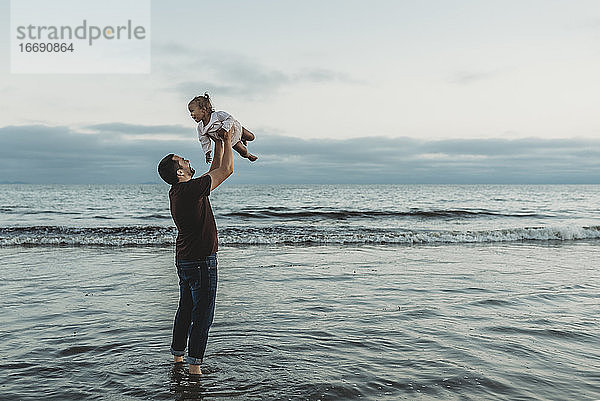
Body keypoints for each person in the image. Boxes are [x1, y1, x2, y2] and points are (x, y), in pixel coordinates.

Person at [157, 128, 234, 375]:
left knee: (186, 309)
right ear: (179, 172)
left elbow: (213, 172)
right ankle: (194, 369)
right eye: (183, 160)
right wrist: (230, 140)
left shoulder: (179, 191)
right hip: (201, 261)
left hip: (186, 260)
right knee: (202, 315)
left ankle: (178, 358)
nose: (188, 161)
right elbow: (226, 171)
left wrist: (219, 143)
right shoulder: (190, 190)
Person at [188, 93, 258, 163]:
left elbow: (230, 118)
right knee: (243, 151)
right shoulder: (201, 127)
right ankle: (249, 155)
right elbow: (203, 140)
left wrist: (224, 128)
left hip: (235, 128)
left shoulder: (217, 115)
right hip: (231, 139)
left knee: (251, 137)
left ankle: (243, 138)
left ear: (203, 110)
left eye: (192, 111)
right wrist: (207, 152)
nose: (191, 114)